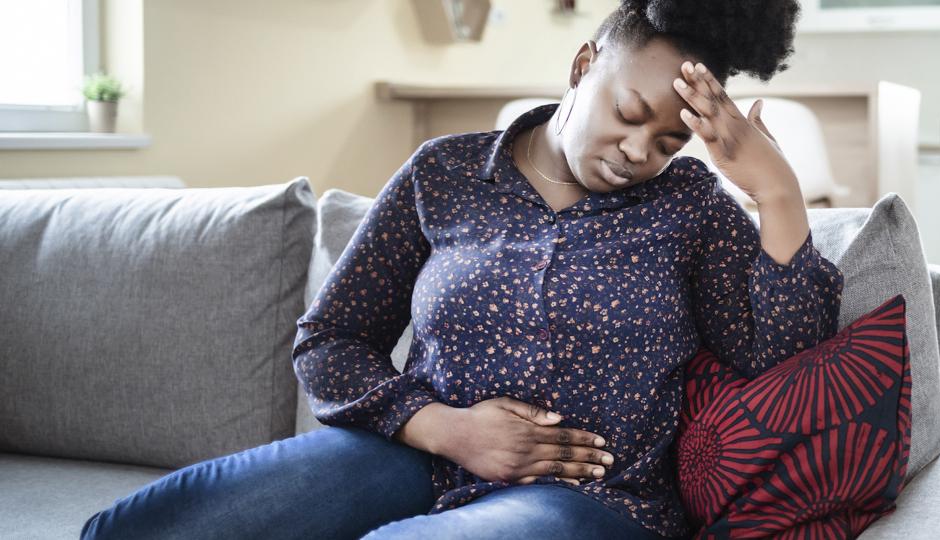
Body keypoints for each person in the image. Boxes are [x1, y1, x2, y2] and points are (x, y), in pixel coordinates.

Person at [80, 0, 842, 538]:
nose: (639, 152)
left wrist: (775, 192)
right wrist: (443, 428)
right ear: (583, 65)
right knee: (144, 528)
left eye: (669, 140)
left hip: (591, 503)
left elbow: (776, 360)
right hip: (410, 460)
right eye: (629, 112)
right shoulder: (442, 173)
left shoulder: (689, 205)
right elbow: (330, 341)